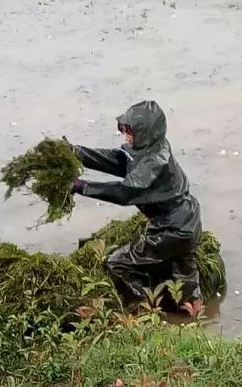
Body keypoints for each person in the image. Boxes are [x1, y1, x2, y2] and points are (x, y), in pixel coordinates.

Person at [68, 100, 203, 307]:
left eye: (130, 131)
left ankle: (144, 306)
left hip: (171, 229)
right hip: (188, 223)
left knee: (118, 263)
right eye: (124, 129)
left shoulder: (153, 163)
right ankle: (193, 315)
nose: (126, 136)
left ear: (145, 132)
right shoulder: (152, 147)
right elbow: (118, 160)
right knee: (186, 283)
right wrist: (77, 152)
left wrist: (82, 187)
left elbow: (125, 192)